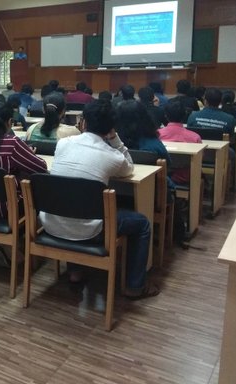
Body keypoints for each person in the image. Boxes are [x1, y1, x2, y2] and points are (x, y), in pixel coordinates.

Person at [42, 99, 159, 299]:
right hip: (90, 231)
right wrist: (115, 139)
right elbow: (129, 168)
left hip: (51, 223)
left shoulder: (63, 144)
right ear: (112, 127)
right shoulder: (113, 156)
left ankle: (75, 273)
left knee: (73, 201)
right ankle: (135, 286)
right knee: (142, 224)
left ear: (83, 122)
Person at [0, 101, 47, 219]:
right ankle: (27, 234)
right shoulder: (12, 143)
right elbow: (41, 167)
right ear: (10, 122)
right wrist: (28, 154)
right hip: (7, 208)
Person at [158, 100, 202, 184]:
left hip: (161, 175)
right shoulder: (195, 137)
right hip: (186, 177)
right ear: (185, 115)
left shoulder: (157, 135)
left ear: (165, 116)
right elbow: (200, 158)